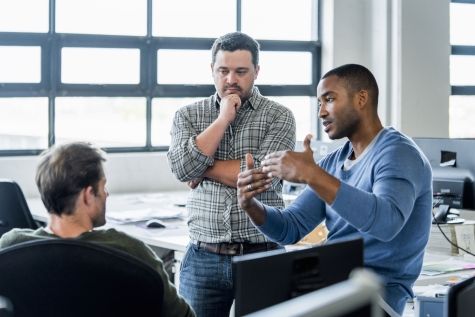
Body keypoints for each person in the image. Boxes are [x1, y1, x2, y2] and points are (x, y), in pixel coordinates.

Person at [237, 63, 432, 315]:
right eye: (319, 102)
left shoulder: (399, 154)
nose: (321, 112)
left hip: (375, 296)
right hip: (332, 285)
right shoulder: (334, 161)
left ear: (361, 98)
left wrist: (312, 174)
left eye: (329, 99)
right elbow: (290, 227)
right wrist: (250, 205)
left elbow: (386, 223)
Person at [167, 32, 296, 316]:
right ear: (212, 71)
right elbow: (182, 169)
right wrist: (223, 118)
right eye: (223, 71)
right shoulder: (188, 115)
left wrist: (203, 166)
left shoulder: (279, 116)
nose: (231, 80)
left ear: (256, 72)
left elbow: (262, 178)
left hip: (264, 255)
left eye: (241, 71)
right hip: (203, 256)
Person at [0, 142, 195, 317]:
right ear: (87, 195)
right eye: (103, 187)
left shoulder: (10, 247)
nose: (106, 194)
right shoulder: (132, 252)